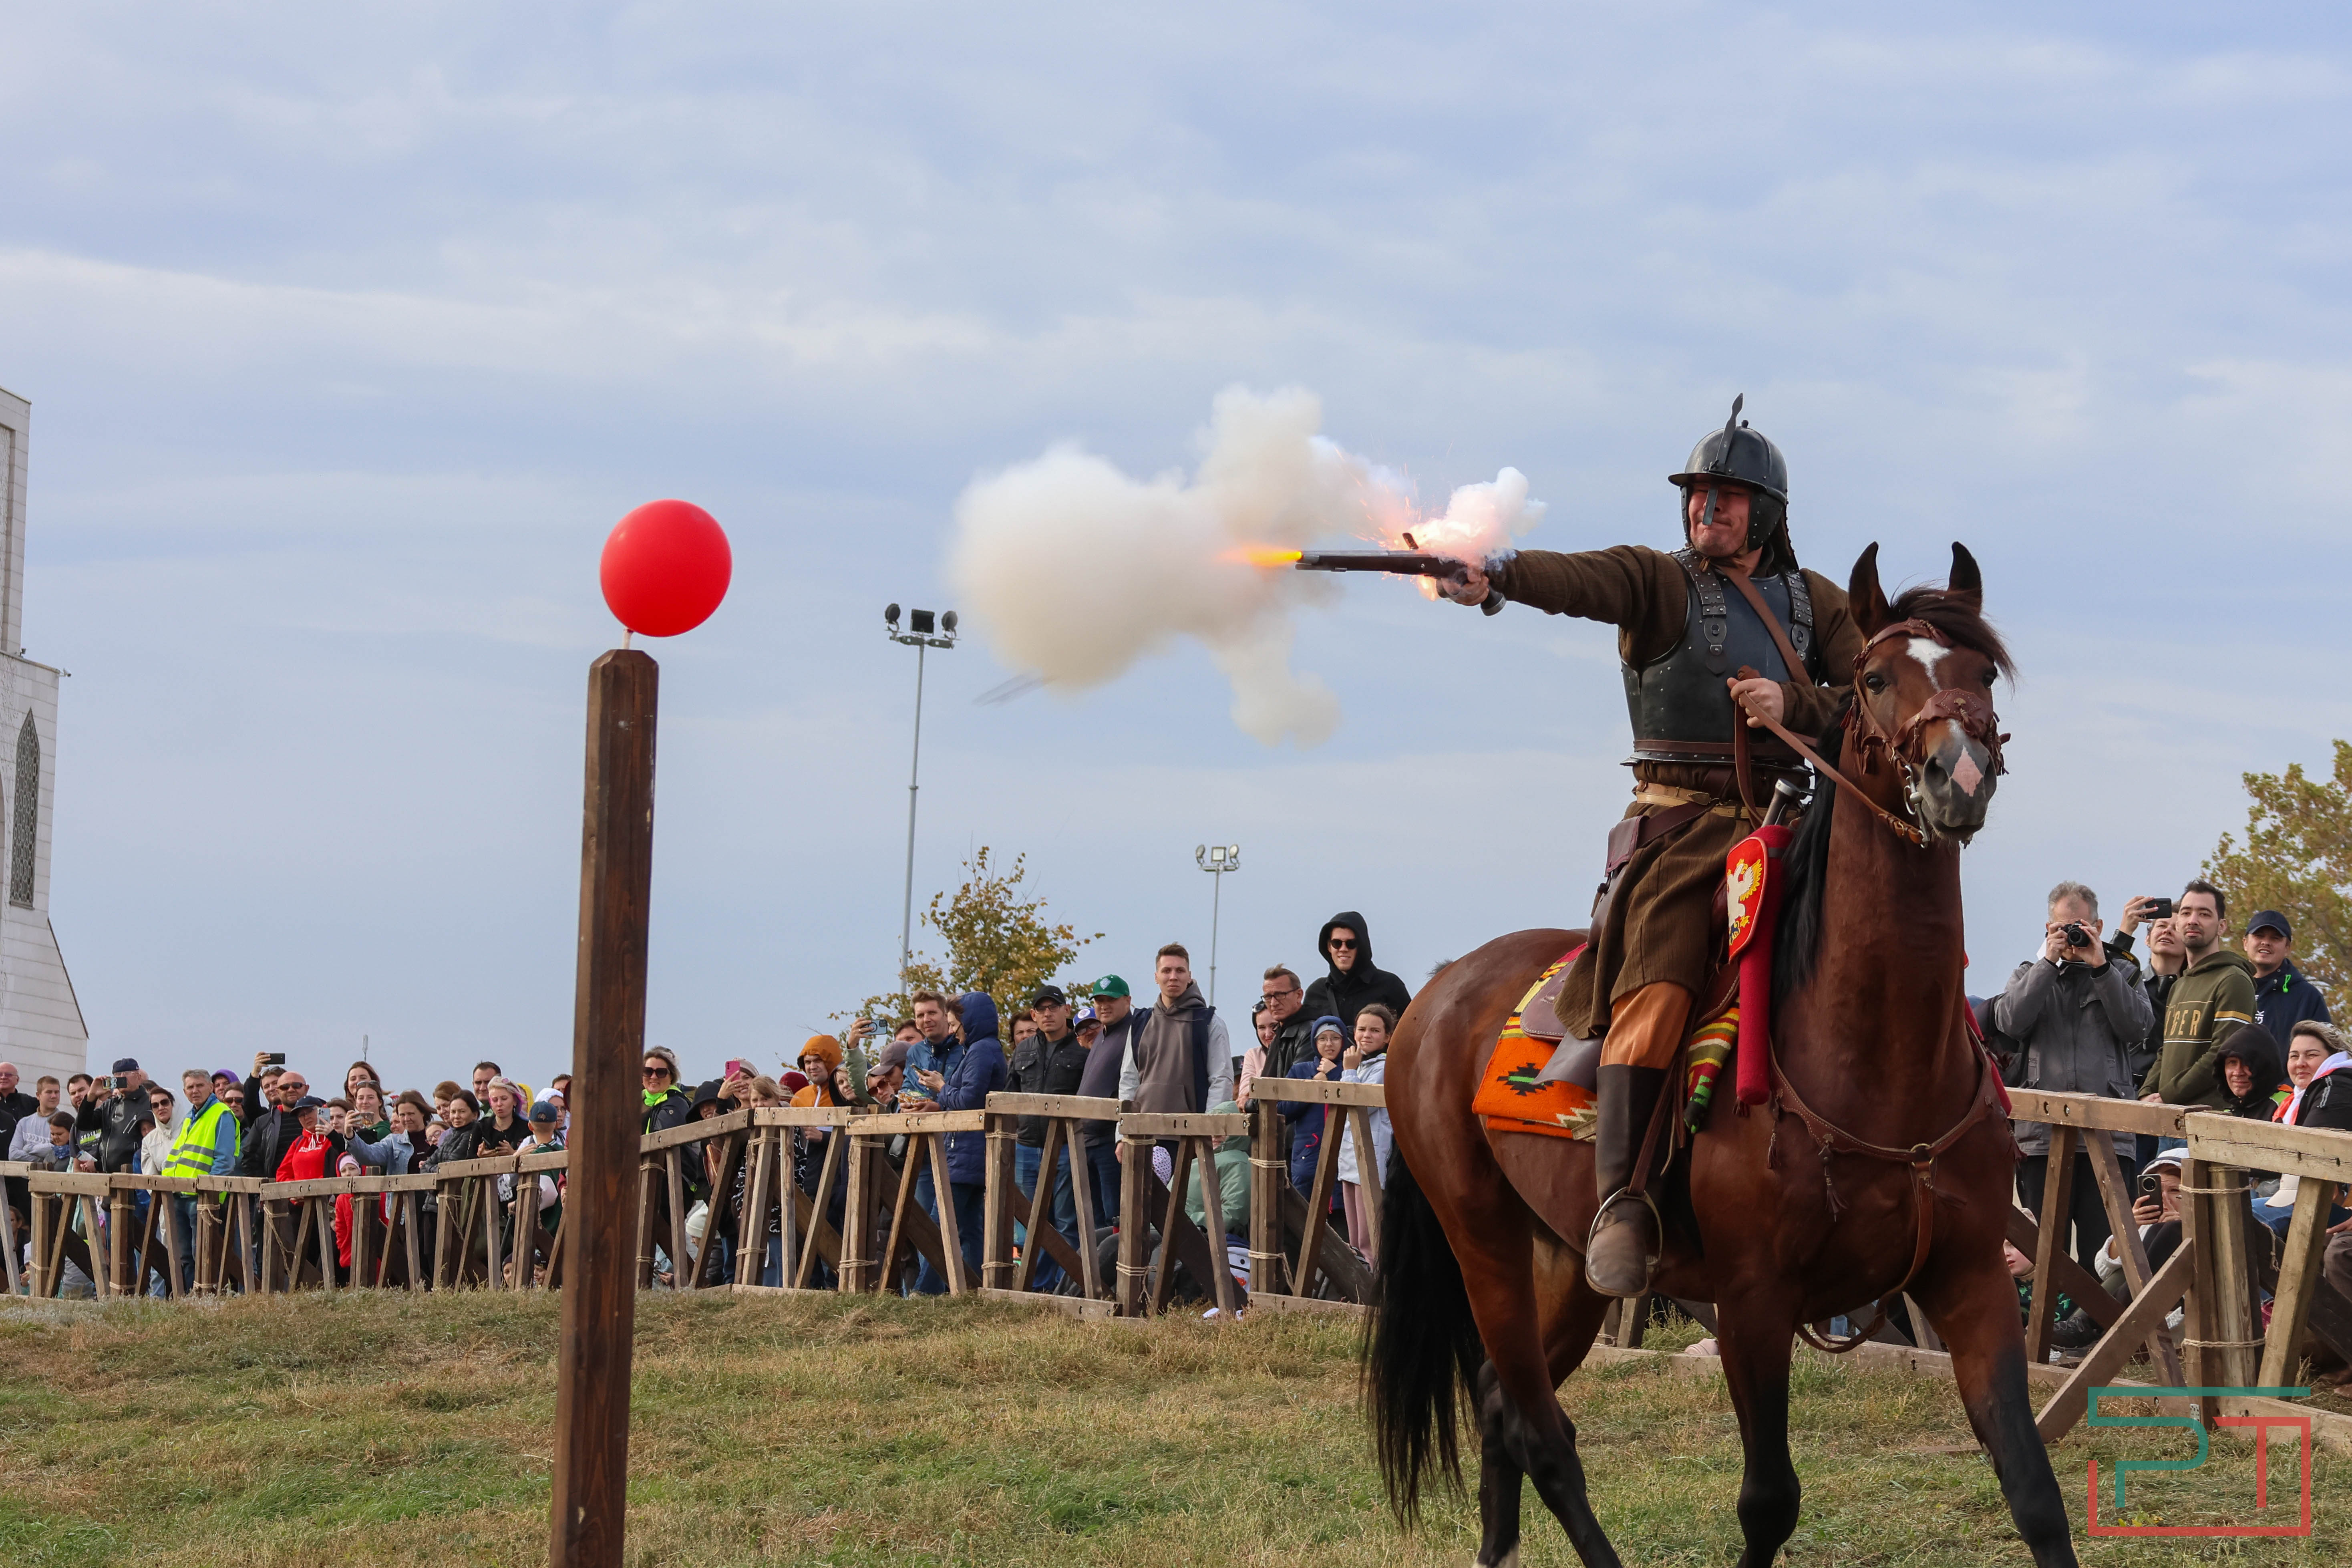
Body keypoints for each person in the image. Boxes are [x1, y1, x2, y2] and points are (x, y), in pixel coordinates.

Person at [1439, 397, 1866, 1296]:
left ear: (1768, 512)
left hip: (1789, 825)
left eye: (1727, 495)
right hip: (1680, 836)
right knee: (1664, 985)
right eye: (1696, 492)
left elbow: (1868, 705)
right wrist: (1495, 575)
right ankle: (1623, 1201)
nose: (1705, 507)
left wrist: (1799, 708)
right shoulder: (1656, 581)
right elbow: (1576, 580)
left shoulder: (1817, 602)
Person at [1992, 882, 2151, 1273]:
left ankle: (2099, 1332)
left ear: (2097, 925)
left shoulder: (2123, 972)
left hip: (2108, 1138)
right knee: (2044, 1253)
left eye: (2079, 927)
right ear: (2047, 929)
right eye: (2062, 928)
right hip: (2041, 1140)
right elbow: (2009, 1021)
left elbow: (2139, 1027)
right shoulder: (2027, 974)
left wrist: (2100, 967)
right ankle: (2049, 1334)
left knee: (2109, 1254)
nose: (2071, 936)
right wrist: (2048, 964)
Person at [2144, 881, 2257, 1117]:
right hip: (2168, 1116)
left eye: (2204, 914)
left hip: (2209, 1119)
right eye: (2186, 913)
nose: (2193, 920)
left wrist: (2167, 1096)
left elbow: (2223, 1053)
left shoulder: (2234, 980)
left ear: (2221, 926)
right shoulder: (2180, 984)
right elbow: (2166, 1051)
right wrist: (2148, 1092)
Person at [1006, 985, 1088, 1291]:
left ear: (1067, 1010)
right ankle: (1036, 1286)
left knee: (1067, 1219)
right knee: (1032, 1221)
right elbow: (1008, 1095)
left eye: (1053, 1007)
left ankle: (1067, 1285)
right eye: (1041, 1009)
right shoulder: (1022, 1051)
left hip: (1067, 1146)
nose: (1047, 1013)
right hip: (1027, 1146)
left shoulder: (1082, 1053)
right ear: (1033, 1014)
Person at [925, 991, 1007, 1293]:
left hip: (966, 1153)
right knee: (971, 1229)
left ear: (968, 1021)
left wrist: (941, 1086)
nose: (951, 1031)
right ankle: (972, 1289)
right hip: (972, 1153)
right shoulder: (983, 1048)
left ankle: (926, 1291)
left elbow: (968, 1100)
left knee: (938, 1227)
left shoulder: (981, 1051)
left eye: (954, 1023)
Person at [1118, 946, 1233, 1121]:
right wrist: (1122, 1133)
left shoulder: (1209, 1023)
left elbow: (1221, 1079)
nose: (1173, 977)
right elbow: (1128, 1080)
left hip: (1190, 1136)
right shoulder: (1140, 1022)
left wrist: (1212, 1128)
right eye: (1166, 971)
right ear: (1156, 977)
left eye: (1180, 970)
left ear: (1189, 976)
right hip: (1142, 1132)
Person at [1075, 976, 1138, 1228]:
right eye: (1099, 1001)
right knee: (1092, 1220)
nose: (1104, 1006)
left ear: (1127, 1001)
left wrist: (1122, 1135)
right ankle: (1095, 1268)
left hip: (1110, 1141)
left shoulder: (1135, 1032)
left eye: (1111, 1000)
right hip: (1086, 1140)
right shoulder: (1100, 1036)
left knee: (1116, 1218)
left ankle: (1117, 1268)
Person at [1337, 1002, 1396, 1266]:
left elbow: (1361, 1107)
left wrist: (1348, 1070)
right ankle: (1358, 1290)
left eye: (1374, 1030)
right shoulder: (1359, 1065)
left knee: (1369, 1238)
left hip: (1370, 1161)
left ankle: (1375, 1292)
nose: (1366, 1035)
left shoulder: (1384, 1067)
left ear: (1387, 1037)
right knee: (1353, 1239)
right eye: (1361, 1029)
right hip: (1349, 1159)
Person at [1302, 914, 1413, 1032]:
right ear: (1329, 947)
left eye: (1351, 944)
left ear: (1362, 946)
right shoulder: (1316, 992)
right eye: (1337, 943)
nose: (1343, 949)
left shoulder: (1390, 986)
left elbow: (1412, 1033)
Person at [1280, 1017, 1349, 1201]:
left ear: (1343, 1041)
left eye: (1335, 1038)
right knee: (1305, 1218)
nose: (1329, 1044)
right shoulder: (1300, 1071)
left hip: (1343, 1159)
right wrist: (1313, 1086)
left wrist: (1334, 1073)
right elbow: (1283, 1111)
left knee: (1341, 1219)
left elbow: (1351, 1100)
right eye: (1322, 1039)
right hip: (1307, 1157)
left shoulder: (1351, 1072)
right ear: (1314, 1042)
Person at [2242, 910, 2330, 1049]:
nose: (2266, 942)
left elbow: (2323, 1053)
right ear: (2245, 943)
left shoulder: (2307, 997)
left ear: (2287, 948)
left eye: (2275, 938)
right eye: (2259, 936)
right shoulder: (2230, 987)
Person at [76, 1057, 156, 1174]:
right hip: (108, 1175)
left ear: (139, 1078)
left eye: (127, 1073)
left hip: (136, 1174)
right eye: (117, 1074)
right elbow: (83, 1124)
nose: (122, 1077)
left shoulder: (149, 1103)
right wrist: (92, 1096)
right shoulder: (111, 1104)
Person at [901, 991, 964, 1112]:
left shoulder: (964, 1047)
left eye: (932, 1013)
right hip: (920, 1127)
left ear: (946, 1016)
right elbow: (907, 1089)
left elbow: (969, 1097)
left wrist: (940, 1108)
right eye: (920, 1016)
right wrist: (903, 1108)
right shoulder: (915, 1053)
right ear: (916, 1024)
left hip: (957, 1127)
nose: (926, 1020)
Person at [1255, 966, 1314, 1086]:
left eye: (1280, 995)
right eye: (1268, 997)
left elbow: (1296, 1088)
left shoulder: (1312, 1031)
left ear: (1299, 995)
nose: (1273, 1003)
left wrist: (1251, 1103)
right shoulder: (1280, 1032)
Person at [1237, 1002, 1278, 1109]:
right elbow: (1244, 1094)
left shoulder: (1290, 1050)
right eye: (1262, 1028)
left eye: (1273, 1026)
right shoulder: (1253, 1054)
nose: (1268, 1034)